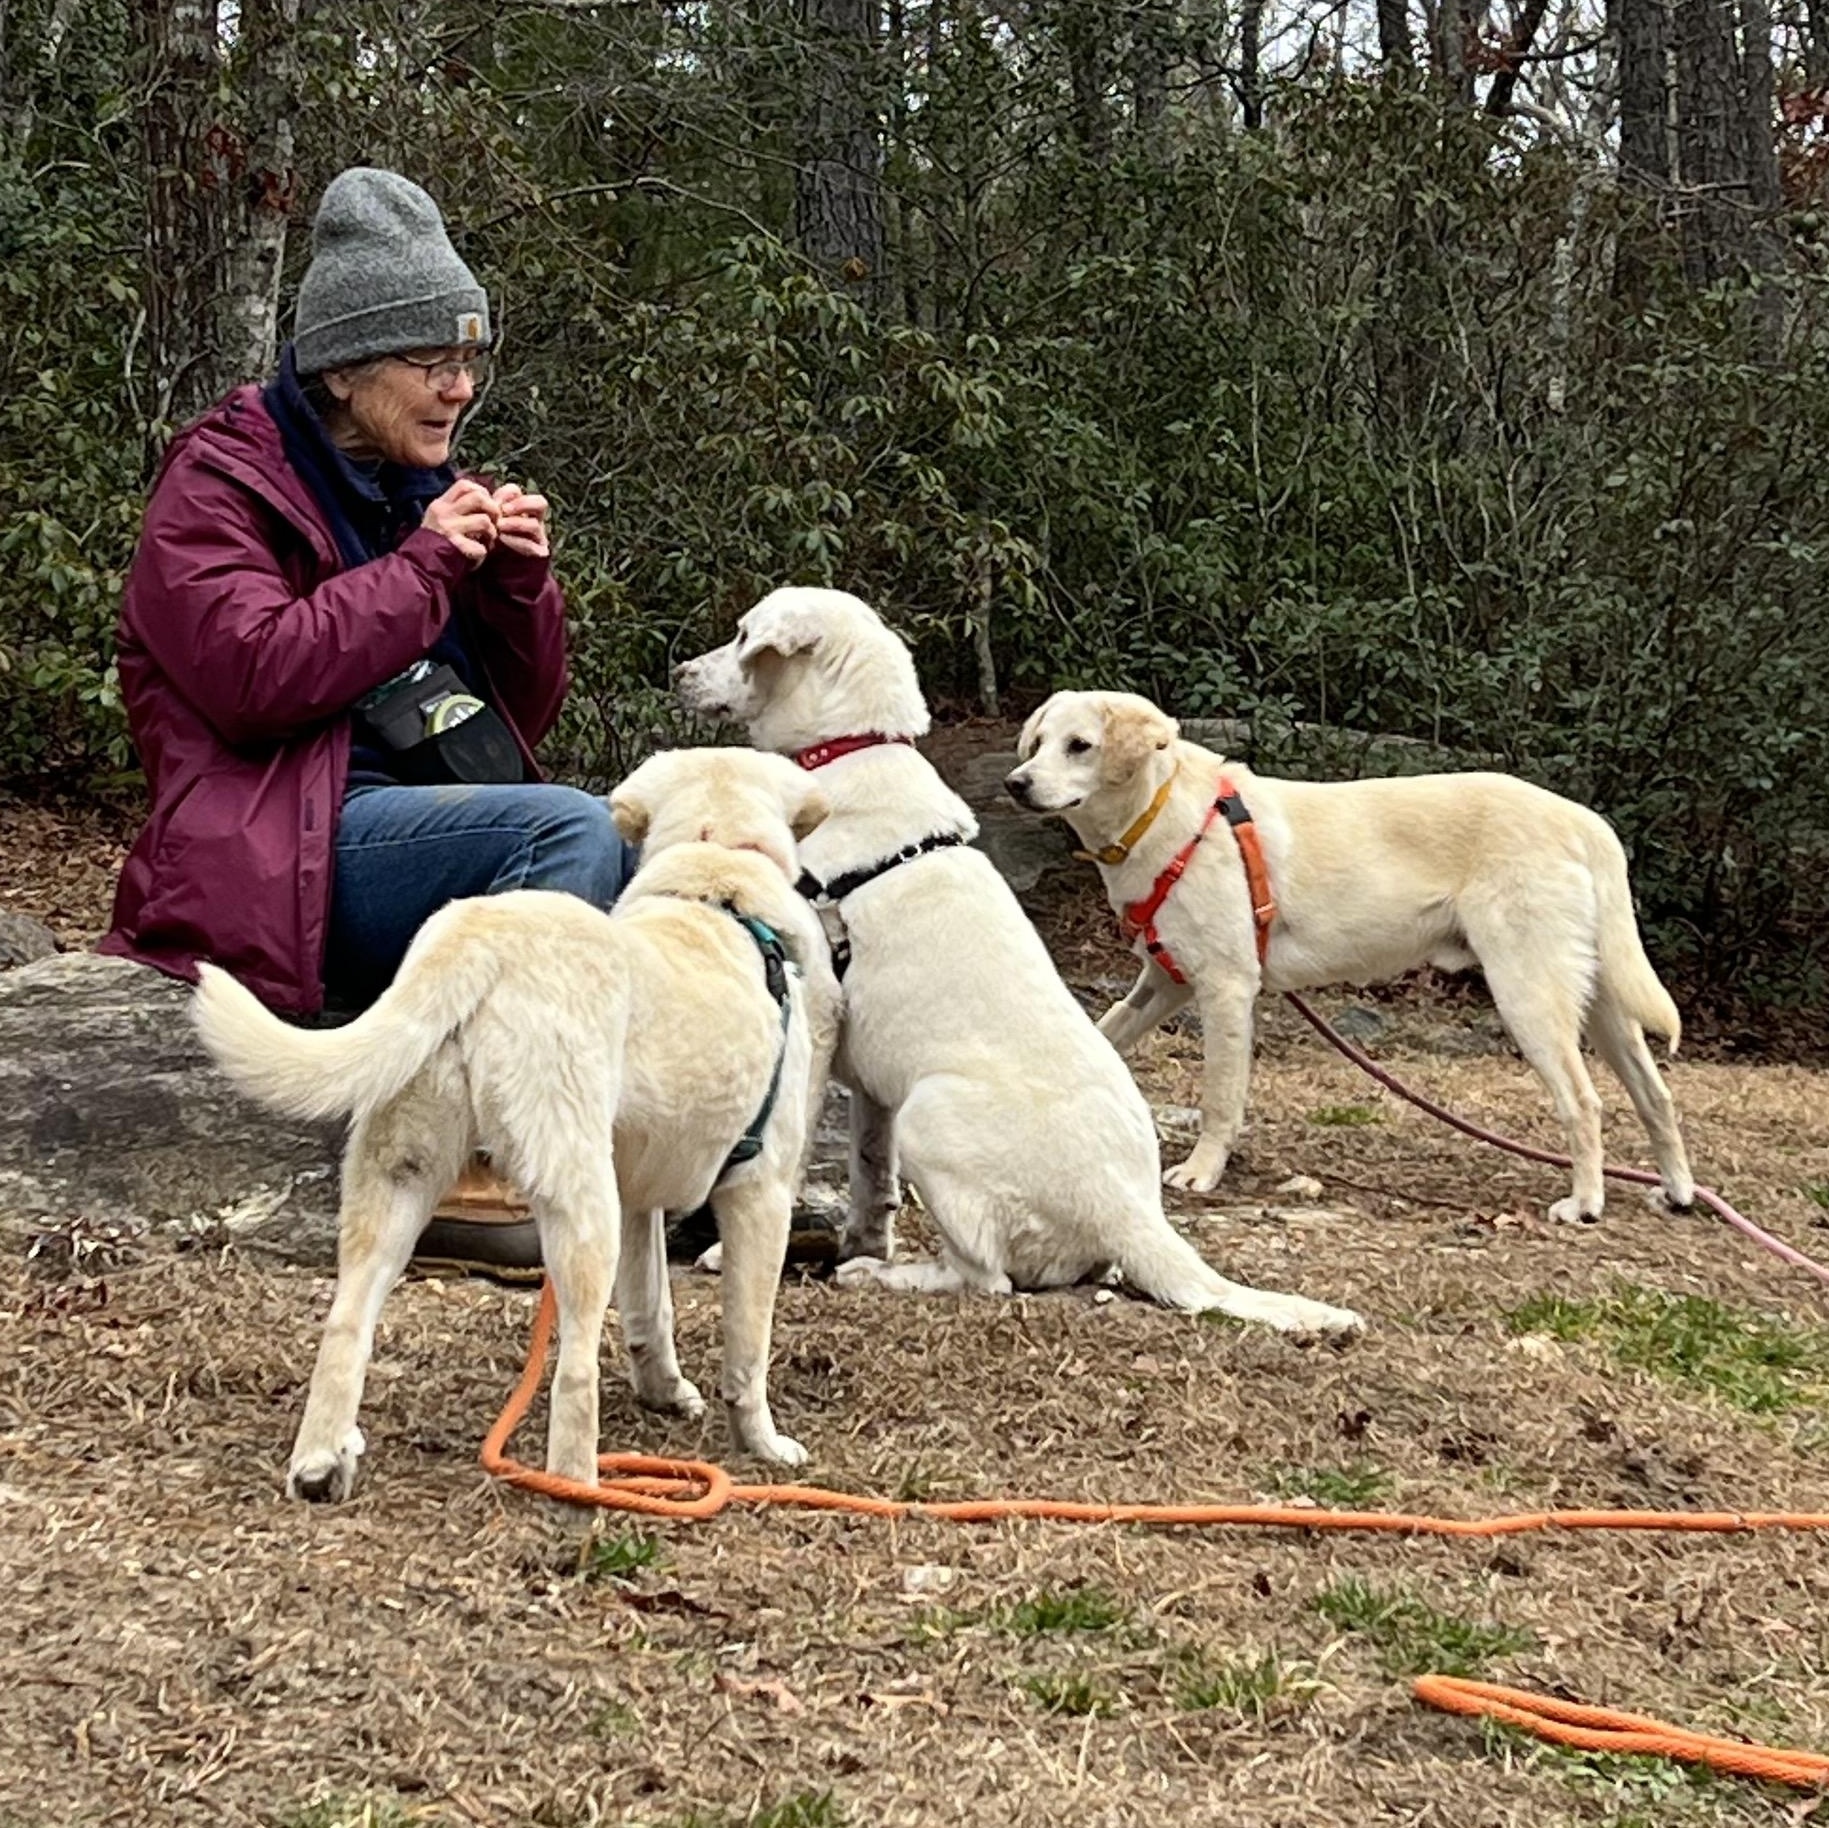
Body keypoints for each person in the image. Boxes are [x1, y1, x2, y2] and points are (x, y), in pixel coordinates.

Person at [102, 166, 631, 1279]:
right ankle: (480, 1168)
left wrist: (513, 589)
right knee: (569, 835)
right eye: (431, 363)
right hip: (278, 846)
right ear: (342, 367)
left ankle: (643, 1160)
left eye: (470, 362)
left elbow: (509, 724)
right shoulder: (216, 490)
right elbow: (255, 677)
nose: (458, 389)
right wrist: (427, 563)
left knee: (639, 839)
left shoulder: (409, 480)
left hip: (399, 829)